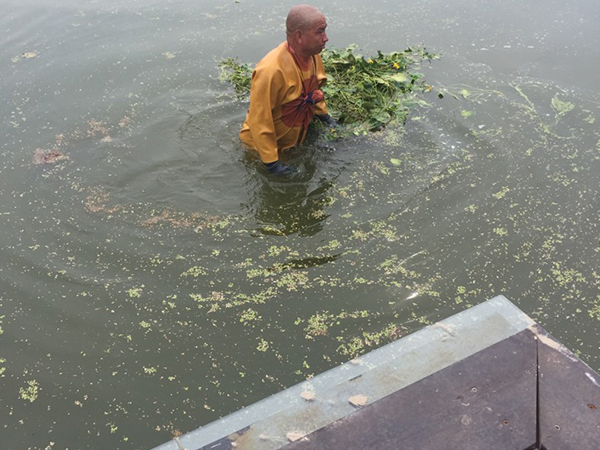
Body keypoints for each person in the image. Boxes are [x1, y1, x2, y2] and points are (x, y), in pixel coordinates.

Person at [240, 4, 338, 175]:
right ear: (299, 36)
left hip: (295, 138)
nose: (326, 38)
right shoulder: (270, 71)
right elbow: (260, 119)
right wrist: (272, 163)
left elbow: (313, 89)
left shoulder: (313, 55)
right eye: (320, 32)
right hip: (263, 150)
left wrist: (325, 117)